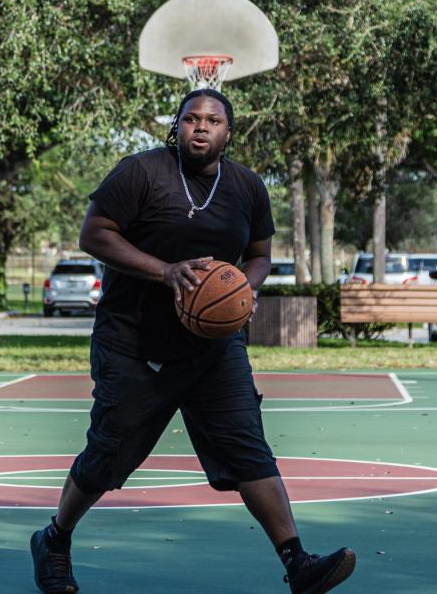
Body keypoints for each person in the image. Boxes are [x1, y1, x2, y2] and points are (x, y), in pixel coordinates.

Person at [29, 89, 356, 594]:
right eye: (190, 119)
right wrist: (166, 272)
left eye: (213, 121)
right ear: (176, 127)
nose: (200, 127)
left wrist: (245, 288)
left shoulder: (247, 186)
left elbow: (260, 254)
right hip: (135, 343)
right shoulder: (140, 173)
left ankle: (297, 563)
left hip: (214, 347)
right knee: (109, 454)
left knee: (249, 450)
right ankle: (55, 539)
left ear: (229, 132)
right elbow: (93, 234)